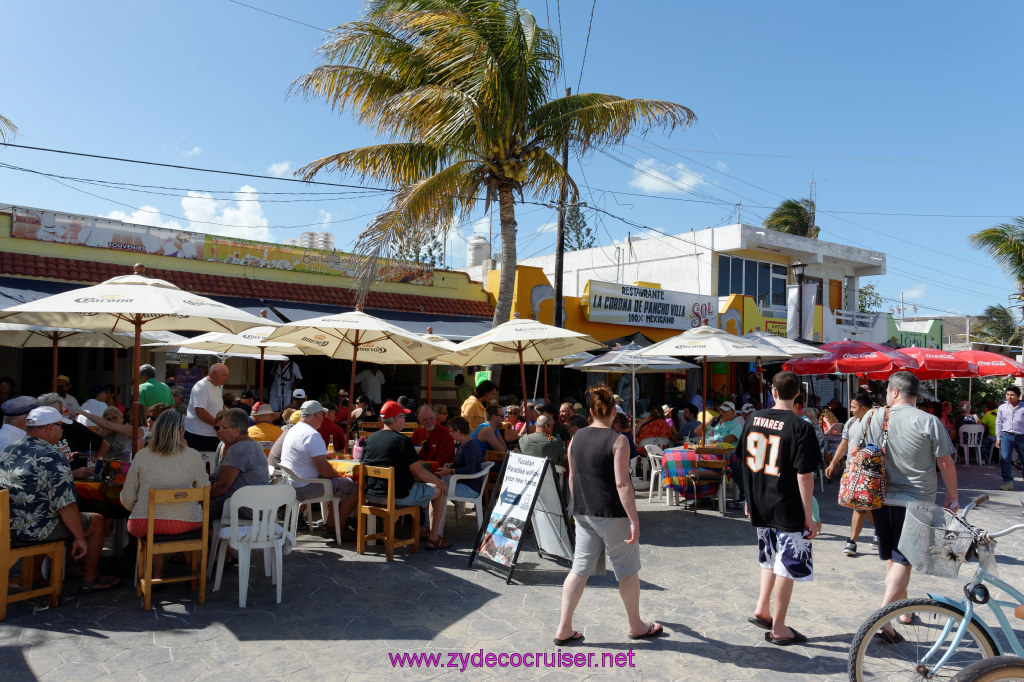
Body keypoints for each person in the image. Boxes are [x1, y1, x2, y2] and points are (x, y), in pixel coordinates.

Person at [554, 384, 661, 646]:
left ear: (590, 411)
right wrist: (634, 520)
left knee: (579, 569)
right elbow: (622, 484)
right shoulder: (618, 440)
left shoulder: (576, 437)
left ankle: (563, 627)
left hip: (584, 510)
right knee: (627, 571)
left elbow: (572, 477)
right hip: (612, 513)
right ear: (614, 412)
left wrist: (578, 505)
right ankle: (636, 625)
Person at [861, 371, 957, 641]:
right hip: (917, 501)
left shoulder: (876, 416)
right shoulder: (929, 421)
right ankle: (882, 616)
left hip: (880, 496)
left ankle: (902, 612)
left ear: (893, 392)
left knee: (894, 556)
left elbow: (859, 449)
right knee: (905, 560)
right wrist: (952, 494)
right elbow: (946, 462)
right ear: (916, 395)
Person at [0, 406, 120, 593]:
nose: (62, 431)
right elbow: (66, 505)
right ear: (49, 428)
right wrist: (79, 537)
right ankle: (91, 577)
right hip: (34, 528)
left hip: (7, 525)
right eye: (60, 427)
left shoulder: (8, 450)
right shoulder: (53, 456)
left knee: (42, 510)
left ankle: (36, 577)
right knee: (96, 521)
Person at [741, 371, 821, 646]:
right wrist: (809, 516)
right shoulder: (802, 427)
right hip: (787, 505)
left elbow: (745, 463)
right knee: (786, 564)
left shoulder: (752, 419)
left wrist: (748, 500)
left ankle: (762, 608)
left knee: (769, 557)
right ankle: (779, 625)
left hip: (761, 501)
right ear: (798, 393)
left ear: (772, 391)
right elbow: (804, 475)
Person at [120, 410, 208, 579]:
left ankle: (156, 574)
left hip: (143, 523)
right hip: (186, 523)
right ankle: (194, 572)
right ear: (181, 431)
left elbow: (128, 498)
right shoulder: (193, 456)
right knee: (174, 517)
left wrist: (140, 509)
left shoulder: (142, 456)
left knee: (154, 523)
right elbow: (204, 491)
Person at [361, 401, 450, 550]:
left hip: (371, 495)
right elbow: (419, 472)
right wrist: (440, 482)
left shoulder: (369, 439)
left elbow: (362, 467)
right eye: (403, 417)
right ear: (396, 419)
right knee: (440, 490)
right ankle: (433, 537)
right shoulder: (402, 441)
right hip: (397, 496)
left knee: (425, 487)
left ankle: (425, 529)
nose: (405, 420)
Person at [281, 400, 359, 539]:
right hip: (305, 486)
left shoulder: (293, 430)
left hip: (291, 484)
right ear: (316, 415)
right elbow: (324, 470)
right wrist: (338, 476)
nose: (323, 419)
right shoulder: (311, 434)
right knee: (353, 487)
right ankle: (335, 528)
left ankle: (330, 524)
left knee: (339, 484)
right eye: (322, 416)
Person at [824, 392, 875, 557]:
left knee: (859, 504)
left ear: (864, 408)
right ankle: (880, 531)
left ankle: (852, 541)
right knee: (863, 504)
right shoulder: (851, 422)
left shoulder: (876, 422)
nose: (851, 410)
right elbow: (844, 444)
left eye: (854, 407)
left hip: (870, 471)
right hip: (852, 468)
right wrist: (833, 463)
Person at [210, 408, 271, 520]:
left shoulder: (239, 448)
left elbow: (222, 487)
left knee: (193, 510)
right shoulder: (252, 444)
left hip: (244, 509)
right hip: (257, 506)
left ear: (237, 430)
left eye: (223, 427)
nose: (219, 431)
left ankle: (207, 536)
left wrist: (198, 497)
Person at [36, 393, 108, 478]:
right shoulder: (35, 432)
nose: (55, 417)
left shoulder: (71, 426)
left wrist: (93, 468)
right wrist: (72, 474)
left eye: (57, 413)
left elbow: (104, 445)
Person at [437, 417, 484, 499]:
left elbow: (470, 469)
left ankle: (436, 512)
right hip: (463, 483)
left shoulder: (470, 446)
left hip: (470, 488)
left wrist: (450, 471)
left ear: (458, 431)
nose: (449, 434)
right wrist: (450, 465)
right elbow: (461, 463)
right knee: (437, 485)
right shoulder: (462, 443)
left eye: (451, 431)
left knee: (437, 490)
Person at [184, 363, 228, 452]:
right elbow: (200, 412)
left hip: (211, 434)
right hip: (198, 435)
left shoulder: (216, 387)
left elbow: (217, 406)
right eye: (224, 375)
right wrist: (218, 425)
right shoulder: (202, 387)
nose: (226, 378)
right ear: (214, 374)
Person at [996, 386, 1024, 491]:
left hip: (1021, 436)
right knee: (1005, 459)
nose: (1009, 397)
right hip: (1006, 435)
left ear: (1018, 396)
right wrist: (998, 437)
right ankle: (1007, 482)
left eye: (1012, 395)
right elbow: (998, 423)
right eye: (1007, 394)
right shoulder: (1002, 407)